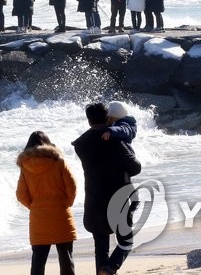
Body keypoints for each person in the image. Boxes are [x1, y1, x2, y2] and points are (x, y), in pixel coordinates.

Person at [71, 103, 142, 275]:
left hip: (95, 201)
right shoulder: (114, 140)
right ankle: (110, 268)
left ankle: (103, 270)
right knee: (126, 241)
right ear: (107, 117)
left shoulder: (81, 144)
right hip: (119, 197)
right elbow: (135, 167)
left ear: (89, 121)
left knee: (100, 248)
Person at [16, 131, 78, 275]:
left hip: (39, 219)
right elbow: (72, 186)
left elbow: (21, 194)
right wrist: (66, 203)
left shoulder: (25, 167)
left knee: (38, 259)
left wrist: (34, 206)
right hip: (61, 215)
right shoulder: (59, 161)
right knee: (66, 257)